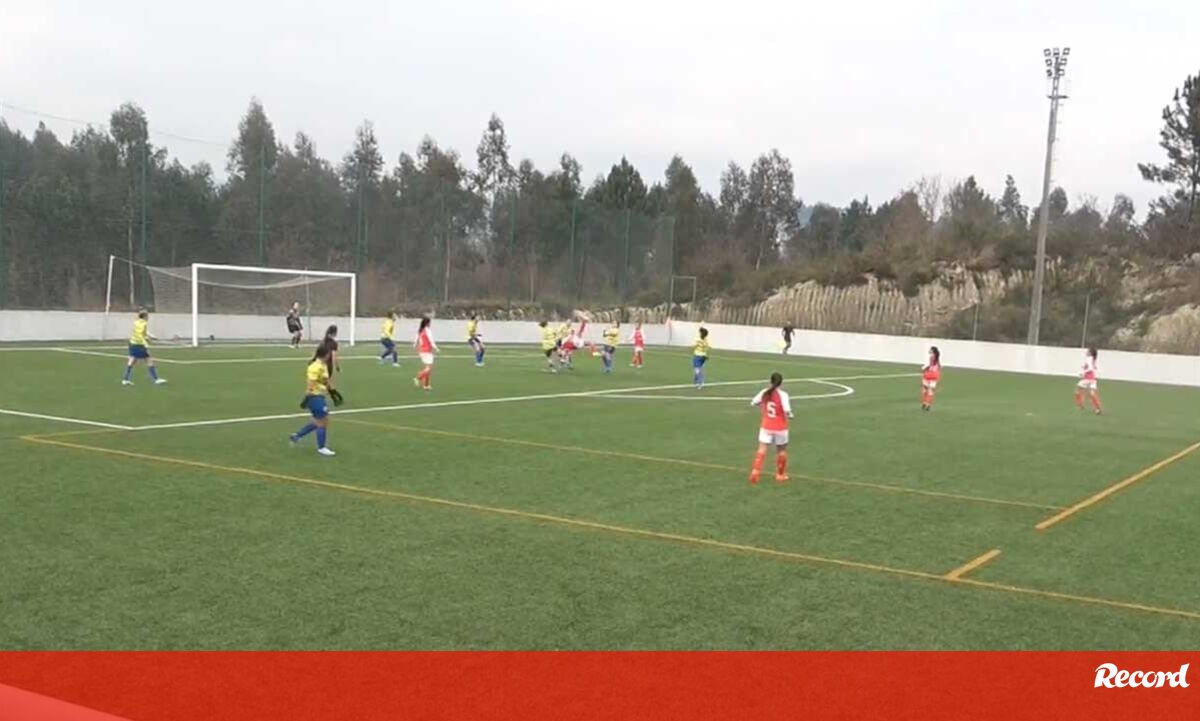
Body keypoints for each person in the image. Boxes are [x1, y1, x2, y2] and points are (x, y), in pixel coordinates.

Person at [290, 344, 336, 456]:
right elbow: (311, 383)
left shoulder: (322, 365)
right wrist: (308, 396)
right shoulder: (315, 367)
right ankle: (321, 448)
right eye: (329, 354)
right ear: (325, 354)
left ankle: (297, 436)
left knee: (318, 421)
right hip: (315, 397)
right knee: (323, 422)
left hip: (320, 396)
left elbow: (324, 380)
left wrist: (331, 390)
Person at [749, 372, 794, 484]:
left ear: (770, 381)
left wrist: (762, 407)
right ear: (781, 383)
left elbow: (753, 402)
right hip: (780, 427)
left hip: (766, 425)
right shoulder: (783, 394)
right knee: (781, 450)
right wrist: (791, 415)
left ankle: (755, 472)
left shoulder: (764, 392)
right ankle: (780, 475)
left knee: (762, 449)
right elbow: (787, 410)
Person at [122, 309, 167, 386]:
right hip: (139, 345)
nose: (148, 317)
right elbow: (140, 335)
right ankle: (156, 379)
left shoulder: (136, 322)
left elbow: (143, 333)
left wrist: (150, 336)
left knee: (132, 360)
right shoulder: (144, 324)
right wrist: (145, 343)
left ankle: (125, 379)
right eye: (147, 316)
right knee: (149, 360)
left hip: (132, 343)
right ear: (145, 316)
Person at [413, 316, 439, 390]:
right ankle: (418, 378)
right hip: (427, 351)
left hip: (421, 351)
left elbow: (416, 339)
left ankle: (426, 385)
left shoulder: (420, 330)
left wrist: (414, 345)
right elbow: (431, 340)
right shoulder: (427, 330)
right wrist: (436, 348)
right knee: (429, 368)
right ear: (428, 323)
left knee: (427, 368)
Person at [1075, 347, 1103, 415]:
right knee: (1092, 393)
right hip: (1092, 379)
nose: (1086, 352)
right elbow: (1093, 368)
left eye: (1088, 351)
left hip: (1087, 378)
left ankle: (1080, 405)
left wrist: (1083, 373)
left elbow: (1090, 368)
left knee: (1077, 391)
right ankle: (1098, 409)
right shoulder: (1093, 359)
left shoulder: (1089, 358)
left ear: (1090, 353)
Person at [921, 346, 941, 412]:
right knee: (931, 391)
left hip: (928, 374)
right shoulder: (937, 358)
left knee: (924, 389)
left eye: (930, 349)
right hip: (935, 376)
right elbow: (939, 367)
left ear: (932, 351)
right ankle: (928, 404)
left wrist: (923, 368)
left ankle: (924, 403)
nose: (929, 350)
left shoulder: (931, 357)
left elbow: (928, 365)